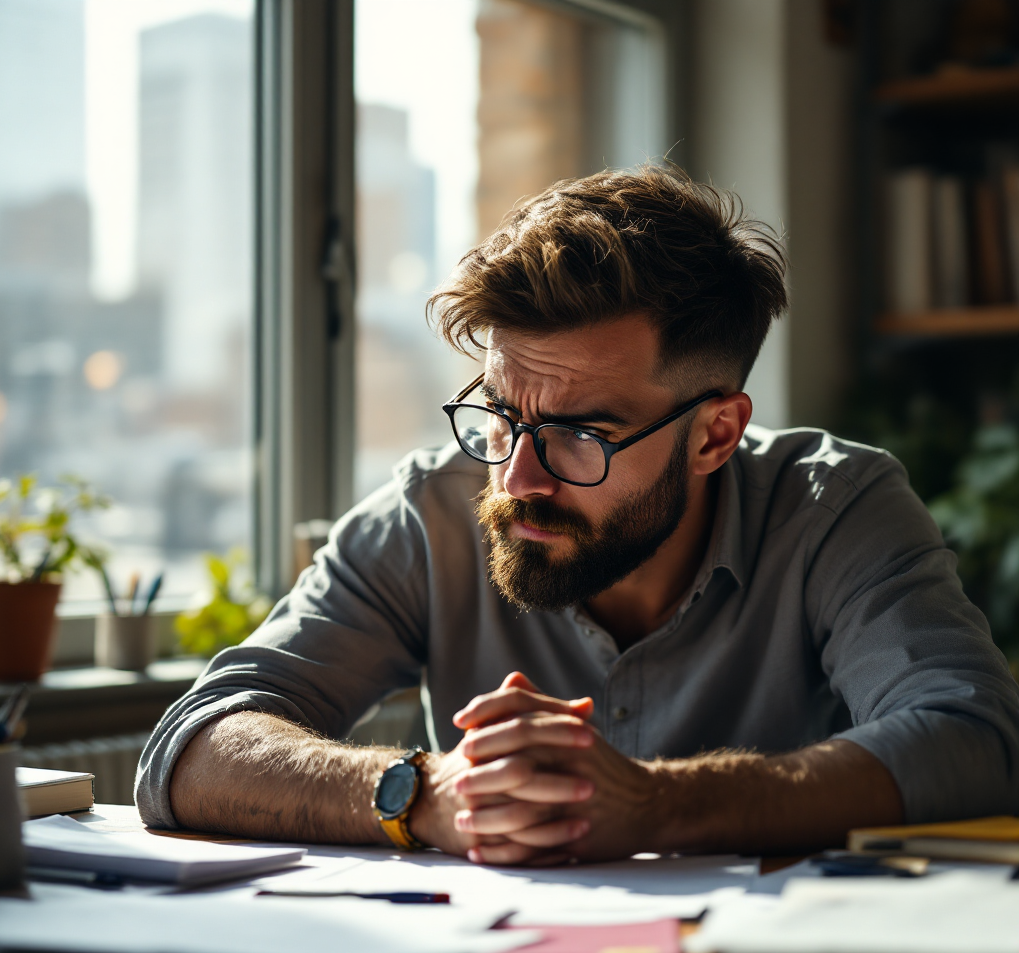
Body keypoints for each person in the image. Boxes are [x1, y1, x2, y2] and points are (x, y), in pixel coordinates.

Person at [137, 166, 1019, 864]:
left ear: (715, 434)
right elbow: (192, 746)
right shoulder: (434, 511)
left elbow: (974, 742)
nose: (517, 476)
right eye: (500, 415)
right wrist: (423, 794)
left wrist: (655, 803)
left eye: (579, 434)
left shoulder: (834, 509)